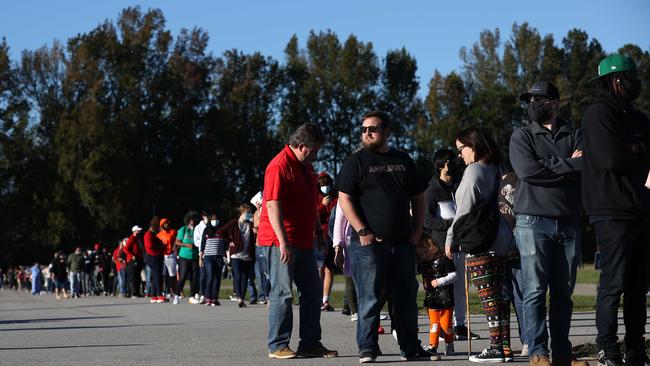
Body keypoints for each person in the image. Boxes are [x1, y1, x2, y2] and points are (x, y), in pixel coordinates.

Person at [336, 111, 432, 363]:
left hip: (403, 243)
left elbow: (419, 197)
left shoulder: (403, 160)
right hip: (369, 245)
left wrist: (417, 232)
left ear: (387, 132)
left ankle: (410, 347)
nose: (367, 133)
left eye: (373, 128)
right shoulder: (355, 162)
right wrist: (362, 231)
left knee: (406, 299)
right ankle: (368, 347)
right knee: (370, 297)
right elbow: (344, 199)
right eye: (364, 128)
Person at [509, 81, 586, 366]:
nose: (532, 104)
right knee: (534, 291)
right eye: (529, 100)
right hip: (532, 221)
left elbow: (586, 167)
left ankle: (563, 355)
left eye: (538, 99)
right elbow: (528, 172)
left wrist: (551, 164)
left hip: (568, 222)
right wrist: (567, 163)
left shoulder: (576, 133)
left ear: (554, 102)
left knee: (564, 293)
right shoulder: (522, 136)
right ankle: (538, 353)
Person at [582, 54, 650, 366]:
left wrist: (636, 150)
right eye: (630, 76)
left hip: (640, 209)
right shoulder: (598, 114)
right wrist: (637, 151)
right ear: (616, 79)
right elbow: (610, 159)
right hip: (611, 210)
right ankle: (608, 349)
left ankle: (636, 350)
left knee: (638, 287)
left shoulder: (635, 116)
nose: (635, 81)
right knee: (614, 283)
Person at [257, 122, 338, 359]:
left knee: (312, 292)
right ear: (301, 146)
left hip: (304, 240)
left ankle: (310, 343)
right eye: (314, 150)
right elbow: (272, 205)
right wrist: (283, 241)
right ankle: (278, 345)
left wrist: (318, 232)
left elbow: (310, 204)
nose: (316, 155)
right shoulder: (279, 166)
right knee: (282, 292)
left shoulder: (307, 168)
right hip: (280, 240)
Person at [446, 127, 514, 363]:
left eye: (461, 149)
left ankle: (495, 348)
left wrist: (450, 238)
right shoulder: (495, 169)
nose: (460, 155)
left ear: (473, 146)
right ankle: (504, 346)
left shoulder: (474, 170)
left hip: (479, 241)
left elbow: (463, 210)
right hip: (501, 238)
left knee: (488, 296)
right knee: (500, 296)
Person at [424, 148, 478, 342]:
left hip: (461, 244)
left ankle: (460, 325)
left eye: (450, 161)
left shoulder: (458, 185)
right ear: (438, 165)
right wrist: (452, 223)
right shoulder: (431, 190)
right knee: (443, 290)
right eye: (444, 162)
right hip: (440, 247)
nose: (448, 165)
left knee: (461, 287)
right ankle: (440, 328)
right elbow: (427, 221)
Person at [497, 168, 530, 357]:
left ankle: (527, 339)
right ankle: (503, 342)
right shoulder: (490, 179)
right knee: (502, 295)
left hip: (518, 242)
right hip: (498, 244)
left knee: (521, 294)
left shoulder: (518, 177)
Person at [417, 233, 455, 360]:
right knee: (434, 324)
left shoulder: (445, 260)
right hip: (431, 299)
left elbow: (454, 275)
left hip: (445, 298)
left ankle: (449, 342)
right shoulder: (423, 263)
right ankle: (433, 345)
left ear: (431, 248)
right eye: (420, 255)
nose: (422, 257)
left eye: (423, 253)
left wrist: (440, 281)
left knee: (446, 325)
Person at [221, 204, 257, 308]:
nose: (249, 214)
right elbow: (221, 232)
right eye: (247, 212)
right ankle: (239, 298)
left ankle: (242, 297)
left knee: (245, 278)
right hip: (236, 255)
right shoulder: (234, 223)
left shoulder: (250, 224)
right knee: (238, 276)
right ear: (242, 212)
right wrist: (230, 241)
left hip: (247, 255)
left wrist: (255, 232)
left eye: (250, 212)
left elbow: (253, 239)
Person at [200, 213, 227, 306]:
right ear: (210, 220)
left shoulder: (222, 230)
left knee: (217, 278)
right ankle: (208, 298)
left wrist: (226, 256)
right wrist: (200, 258)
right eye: (213, 219)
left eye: (216, 219)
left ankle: (214, 298)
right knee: (210, 276)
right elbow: (202, 245)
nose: (215, 221)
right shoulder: (206, 230)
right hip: (208, 257)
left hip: (219, 257)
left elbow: (226, 243)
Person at [176, 212, 200, 304]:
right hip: (184, 256)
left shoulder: (197, 229)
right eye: (191, 220)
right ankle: (176, 294)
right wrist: (186, 245)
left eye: (194, 220)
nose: (192, 221)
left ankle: (192, 296)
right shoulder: (184, 229)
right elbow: (177, 242)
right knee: (183, 277)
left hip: (194, 256)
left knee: (194, 277)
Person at [251, 191, 270, 305]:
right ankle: (264, 295)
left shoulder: (267, 211)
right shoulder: (257, 213)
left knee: (267, 272)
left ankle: (267, 294)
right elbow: (255, 228)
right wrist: (258, 211)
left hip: (266, 244)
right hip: (259, 245)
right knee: (261, 273)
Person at [144, 216, 166, 304]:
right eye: (157, 227)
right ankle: (159, 295)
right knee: (157, 276)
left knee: (154, 277)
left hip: (156, 256)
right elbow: (150, 246)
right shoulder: (148, 234)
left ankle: (154, 296)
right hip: (153, 257)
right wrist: (161, 246)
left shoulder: (153, 235)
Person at [157, 218, 178, 300]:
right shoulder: (159, 235)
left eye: (167, 223)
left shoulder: (173, 232)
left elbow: (178, 241)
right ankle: (162, 292)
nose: (166, 224)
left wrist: (176, 248)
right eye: (164, 223)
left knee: (172, 275)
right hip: (162, 256)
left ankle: (174, 292)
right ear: (161, 225)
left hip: (171, 255)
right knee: (162, 275)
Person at [193, 210, 209, 303]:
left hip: (213, 252)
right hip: (203, 253)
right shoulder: (198, 228)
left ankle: (208, 294)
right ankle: (202, 293)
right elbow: (196, 242)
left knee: (210, 275)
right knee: (203, 275)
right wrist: (205, 242)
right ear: (203, 216)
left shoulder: (212, 226)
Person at [124, 225, 143, 298]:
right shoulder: (131, 238)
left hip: (138, 259)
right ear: (134, 231)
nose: (140, 231)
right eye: (138, 230)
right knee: (132, 276)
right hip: (132, 260)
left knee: (138, 276)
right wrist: (132, 255)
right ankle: (133, 293)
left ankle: (137, 292)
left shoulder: (138, 239)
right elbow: (126, 249)